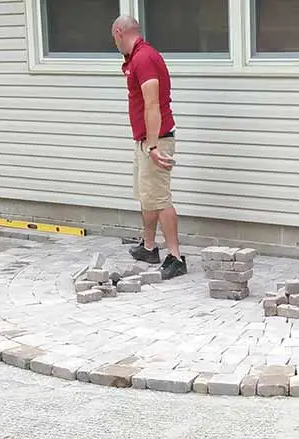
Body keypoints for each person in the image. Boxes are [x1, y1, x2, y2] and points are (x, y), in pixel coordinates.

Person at [111, 15, 187, 280]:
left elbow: (153, 103)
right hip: (145, 140)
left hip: (156, 140)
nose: (115, 43)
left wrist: (153, 145)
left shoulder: (144, 58)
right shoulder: (136, 58)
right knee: (148, 196)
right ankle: (149, 247)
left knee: (160, 198)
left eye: (114, 38)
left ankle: (176, 258)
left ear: (119, 32)